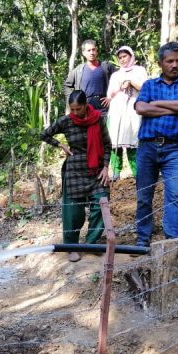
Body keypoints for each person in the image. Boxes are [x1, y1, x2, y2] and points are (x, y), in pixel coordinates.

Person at [133, 42, 178, 247]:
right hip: (148, 147)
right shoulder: (150, 85)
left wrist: (156, 104)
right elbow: (141, 108)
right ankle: (143, 239)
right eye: (170, 61)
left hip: (174, 150)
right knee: (144, 195)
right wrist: (176, 107)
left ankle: (172, 241)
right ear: (161, 63)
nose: (174, 65)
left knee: (175, 195)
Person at [41, 90, 113, 262]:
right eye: (72, 109)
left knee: (101, 203)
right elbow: (44, 134)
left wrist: (105, 167)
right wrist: (60, 145)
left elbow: (107, 144)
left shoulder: (98, 119)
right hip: (74, 171)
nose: (75, 113)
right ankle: (71, 247)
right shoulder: (66, 121)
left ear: (85, 105)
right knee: (73, 213)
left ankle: (91, 243)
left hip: (96, 170)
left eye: (78, 109)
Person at [106, 46, 148, 179]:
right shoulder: (116, 75)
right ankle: (116, 171)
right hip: (118, 111)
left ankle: (137, 172)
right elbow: (110, 94)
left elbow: (145, 87)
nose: (122, 60)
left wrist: (131, 82)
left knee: (133, 141)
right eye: (120, 58)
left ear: (131, 56)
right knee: (115, 142)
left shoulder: (140, 71)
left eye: (125, 56)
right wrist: (120, 86)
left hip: (133, 112)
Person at [64, 39, 117, 114]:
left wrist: (111, 97)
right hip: (85, 109)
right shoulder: (78, 70)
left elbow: (119, 80)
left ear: (96, 51)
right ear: (83, 53)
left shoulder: (106, 66)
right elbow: (67, 85)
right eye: (88, 50)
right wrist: (73, 100)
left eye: (93, 50)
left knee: (104, 125)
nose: (91, 53)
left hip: (104, 108)